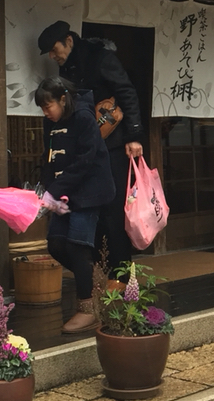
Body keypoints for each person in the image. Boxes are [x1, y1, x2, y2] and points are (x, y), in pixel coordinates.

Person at [37, 21, 144, 274]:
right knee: (87, 211)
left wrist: (134, 135)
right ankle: (96, 272)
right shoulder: (65, 69)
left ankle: (121, 275)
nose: (52, 56)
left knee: (112, 211)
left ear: (69, 41)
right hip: (83, 149)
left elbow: (126, 92)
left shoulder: (100, 57)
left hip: (112, 145)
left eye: (54, 50)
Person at [36, 77, 114, 333]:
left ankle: (87, 308)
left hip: (89, 190)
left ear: (62, 100)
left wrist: (57, 190)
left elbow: (85, 160)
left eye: (48, 106)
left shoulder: (83, 117)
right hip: (63, 191)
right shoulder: (51, 122)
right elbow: (49, 158)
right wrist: (48, 191)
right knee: (56, 244)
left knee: (77, 246)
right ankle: (96, 282)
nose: (46, 112)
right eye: (42, 108)